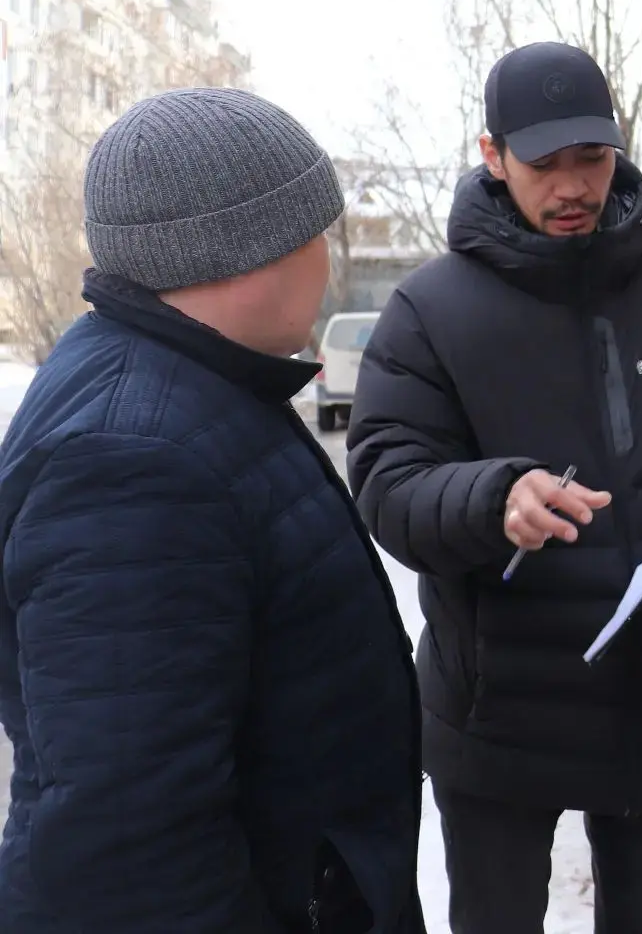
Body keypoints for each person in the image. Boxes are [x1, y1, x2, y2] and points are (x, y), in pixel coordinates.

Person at [347, 41, 642, 934]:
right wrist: (494, 499)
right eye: (543, 163)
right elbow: (388, 483)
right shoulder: (430, 310)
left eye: (590, 159)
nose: (572, 187)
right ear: (492, 155)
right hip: (501, 713)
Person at [0, 89, 424, 932]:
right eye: (314, 234)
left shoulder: (192, 381)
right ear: (247, 251)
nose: (326, 261)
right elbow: (133, 847)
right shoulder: (133, 459)